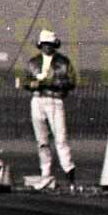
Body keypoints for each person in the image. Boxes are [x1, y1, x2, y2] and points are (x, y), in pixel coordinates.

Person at [23, 29, 78, 189]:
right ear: (41, 45)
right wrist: (31, 84)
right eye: (45, 44)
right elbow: (26, 81)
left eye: (50, 44)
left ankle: (69, 172)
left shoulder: (63, 62)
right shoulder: (33, 62)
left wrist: (51, 84)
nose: (48, 47)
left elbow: (71, 81)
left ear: (55, 45)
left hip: (55, 101)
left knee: (60, 139)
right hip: (37, 101)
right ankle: (45, 174)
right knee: (42, 141)